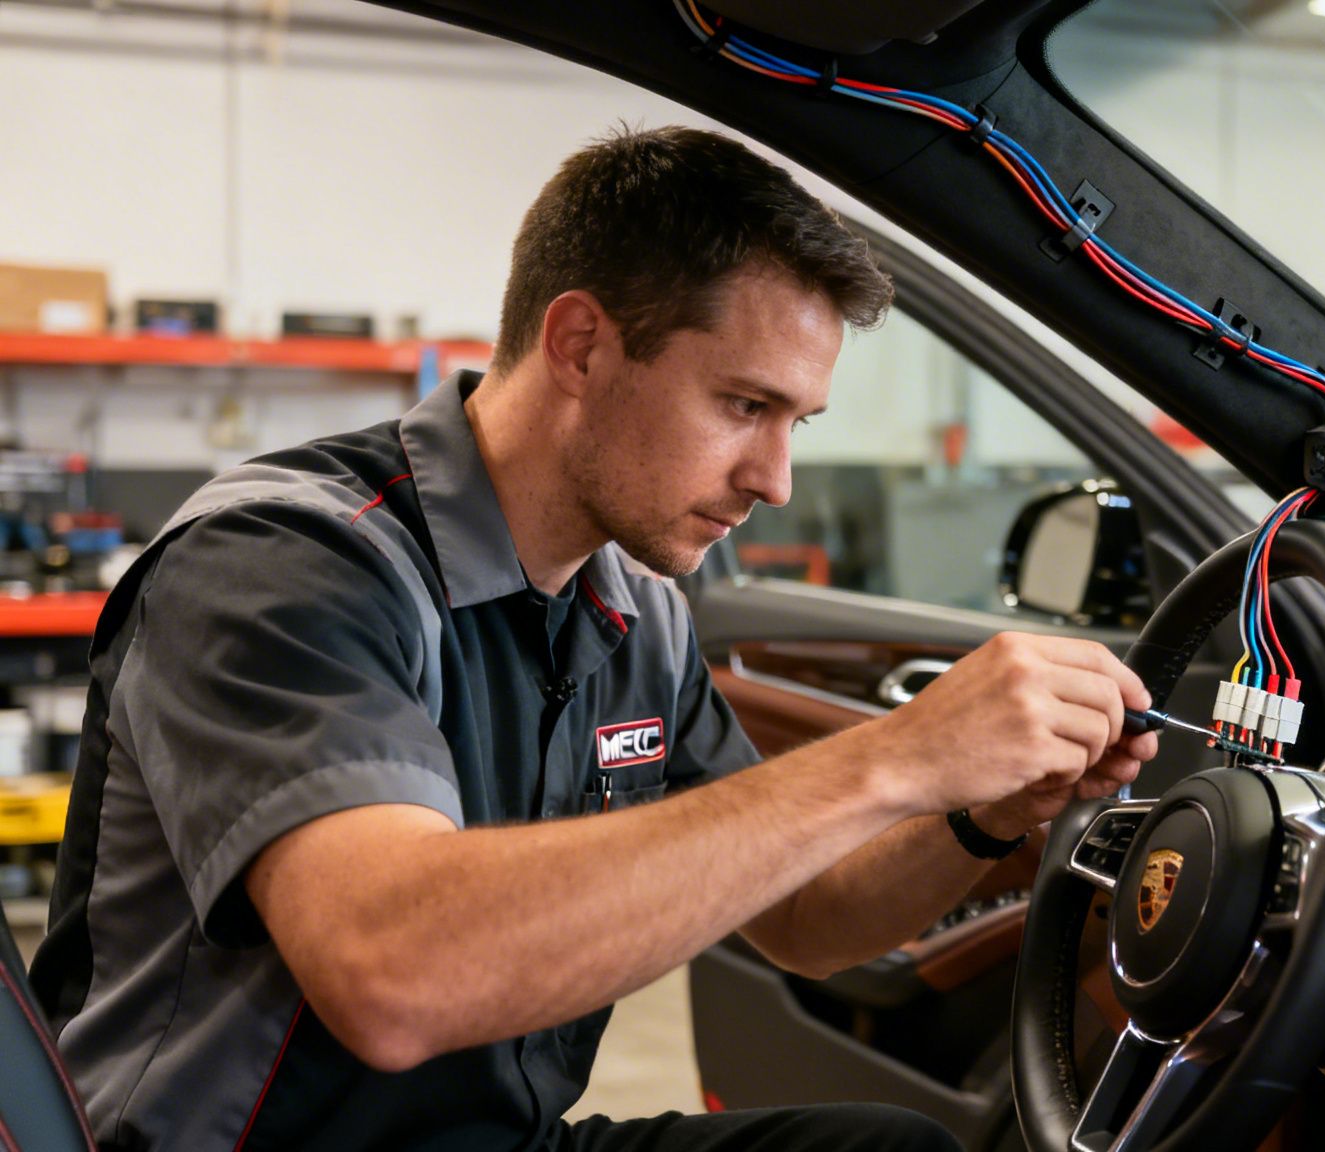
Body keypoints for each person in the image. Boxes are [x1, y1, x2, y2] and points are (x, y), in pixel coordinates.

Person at [29, 125, 1158, 1151]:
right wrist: (896, 755)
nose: (774, 479)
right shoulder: (285, 562)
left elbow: (809, 922)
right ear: (579, 345)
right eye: (742, 407)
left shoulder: (634, 611)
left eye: (796, 424)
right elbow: (391, 976)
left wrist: (973, 812)